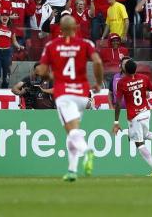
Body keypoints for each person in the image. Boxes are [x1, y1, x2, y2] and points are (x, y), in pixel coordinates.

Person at [37, 15, 104, 182]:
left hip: (64, 94)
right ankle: (72, 170)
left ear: (60, 29)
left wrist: (53, 75)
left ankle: (87, 151)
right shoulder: (86, 44)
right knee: (72, 132)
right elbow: (97, 62)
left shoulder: (52, 45)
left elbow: (42, 69)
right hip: (82, 94)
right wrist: (98, 82)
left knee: (72, 131)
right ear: (76, 28)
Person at [112, 59, 152, 176]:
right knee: (144, 134)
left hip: (135, 116)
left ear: (124, 70)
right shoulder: (144, 78)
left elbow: (118, 103)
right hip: (146, 112)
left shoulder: (122, 83)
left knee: (139, 143)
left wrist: (116, 121)